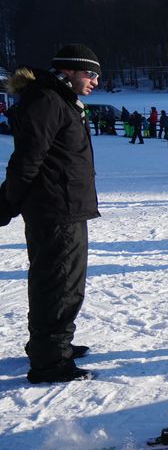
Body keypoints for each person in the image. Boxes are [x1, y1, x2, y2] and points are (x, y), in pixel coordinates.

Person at [0, 44, 102, 383]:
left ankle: (53, 344)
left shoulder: (58, 98)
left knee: (64, 283)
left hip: (67, 206)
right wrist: (6, 203)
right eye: (90, 74)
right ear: (69, 71)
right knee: (57, 283)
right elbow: (27, 160)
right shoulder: (47, 100)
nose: (95, 81)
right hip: (55, 209)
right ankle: (49, 361)